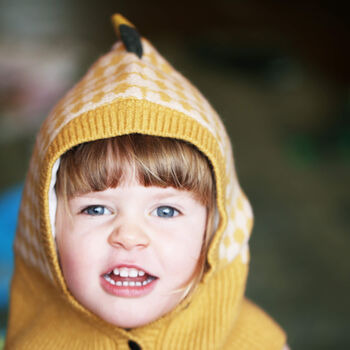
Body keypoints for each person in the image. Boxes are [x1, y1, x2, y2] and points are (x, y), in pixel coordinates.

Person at [5, 14, 288, 350]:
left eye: (166, 211)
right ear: (45, 229)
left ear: (215, 230)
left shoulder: (256, 343)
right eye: (95, 208)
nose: (128, 236)